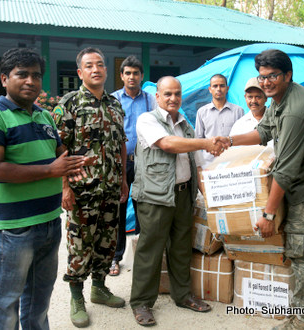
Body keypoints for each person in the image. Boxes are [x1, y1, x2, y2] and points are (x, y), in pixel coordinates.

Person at [214, 49, 304, 330]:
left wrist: (268, 215)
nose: (266, 82)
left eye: (272, 76)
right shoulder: (279, 100)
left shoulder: (296, 110)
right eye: (262, 76)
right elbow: (264, 132)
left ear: (288, 75)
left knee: (299, 250)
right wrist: (230, 141)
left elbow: (285, 170)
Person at [0, 48, 86, 330]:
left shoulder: (45, 117)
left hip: (49, 223)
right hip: (15, 229)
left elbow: (60, 154)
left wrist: (76, 162)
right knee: (6, 304)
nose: (30, 81)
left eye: (36, 75)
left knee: (39, 302)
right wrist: (52, 170)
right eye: (21, 74)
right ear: (4, 78)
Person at [130, 76, 223, 327]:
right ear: (157, 97)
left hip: (183, 193)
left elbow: (198, 163)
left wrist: (207, 197)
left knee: (181, 246)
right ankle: (141, 302)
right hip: (156, 196)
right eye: (168, 94)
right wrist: (207, 142)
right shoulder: (147, 120)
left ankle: (182, 295)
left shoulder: (185, 124)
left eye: (177, 94)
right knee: (151, 249)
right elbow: (167, 144)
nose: (173, 99)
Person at [53, 47, 129, 328]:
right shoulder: (69, 103)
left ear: (106, 70)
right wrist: (65, 188)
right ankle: (77, 297)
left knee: (107, 241)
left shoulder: (115, 104)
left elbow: (121, 143)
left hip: (110, 188)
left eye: (100, 64)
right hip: (81, 190)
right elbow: (58, 148)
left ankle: (99, 288)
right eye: (89, 65)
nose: (96, 69)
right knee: (80, 245)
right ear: (80, 72)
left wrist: (122, 180)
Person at [110, 55, 156, 276]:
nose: (131, 77)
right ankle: (115, 258)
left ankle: (141, 256)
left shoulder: (151, 100)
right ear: (121, 76)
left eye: (135, 73)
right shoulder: (112, 100)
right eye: (127, 73)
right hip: (120, 164)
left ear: (142, 76)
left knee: (143, 209)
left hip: (144, 164)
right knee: (118, 209)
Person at [194, 74, 243, 167]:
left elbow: (242, 138)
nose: (219, 89)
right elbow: (198, 140)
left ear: (227, 88)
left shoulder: (238, 111)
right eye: (215, 86)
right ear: (210, 89)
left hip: (233, 162)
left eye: (222, 85)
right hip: (209, 163)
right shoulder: (202, 112)